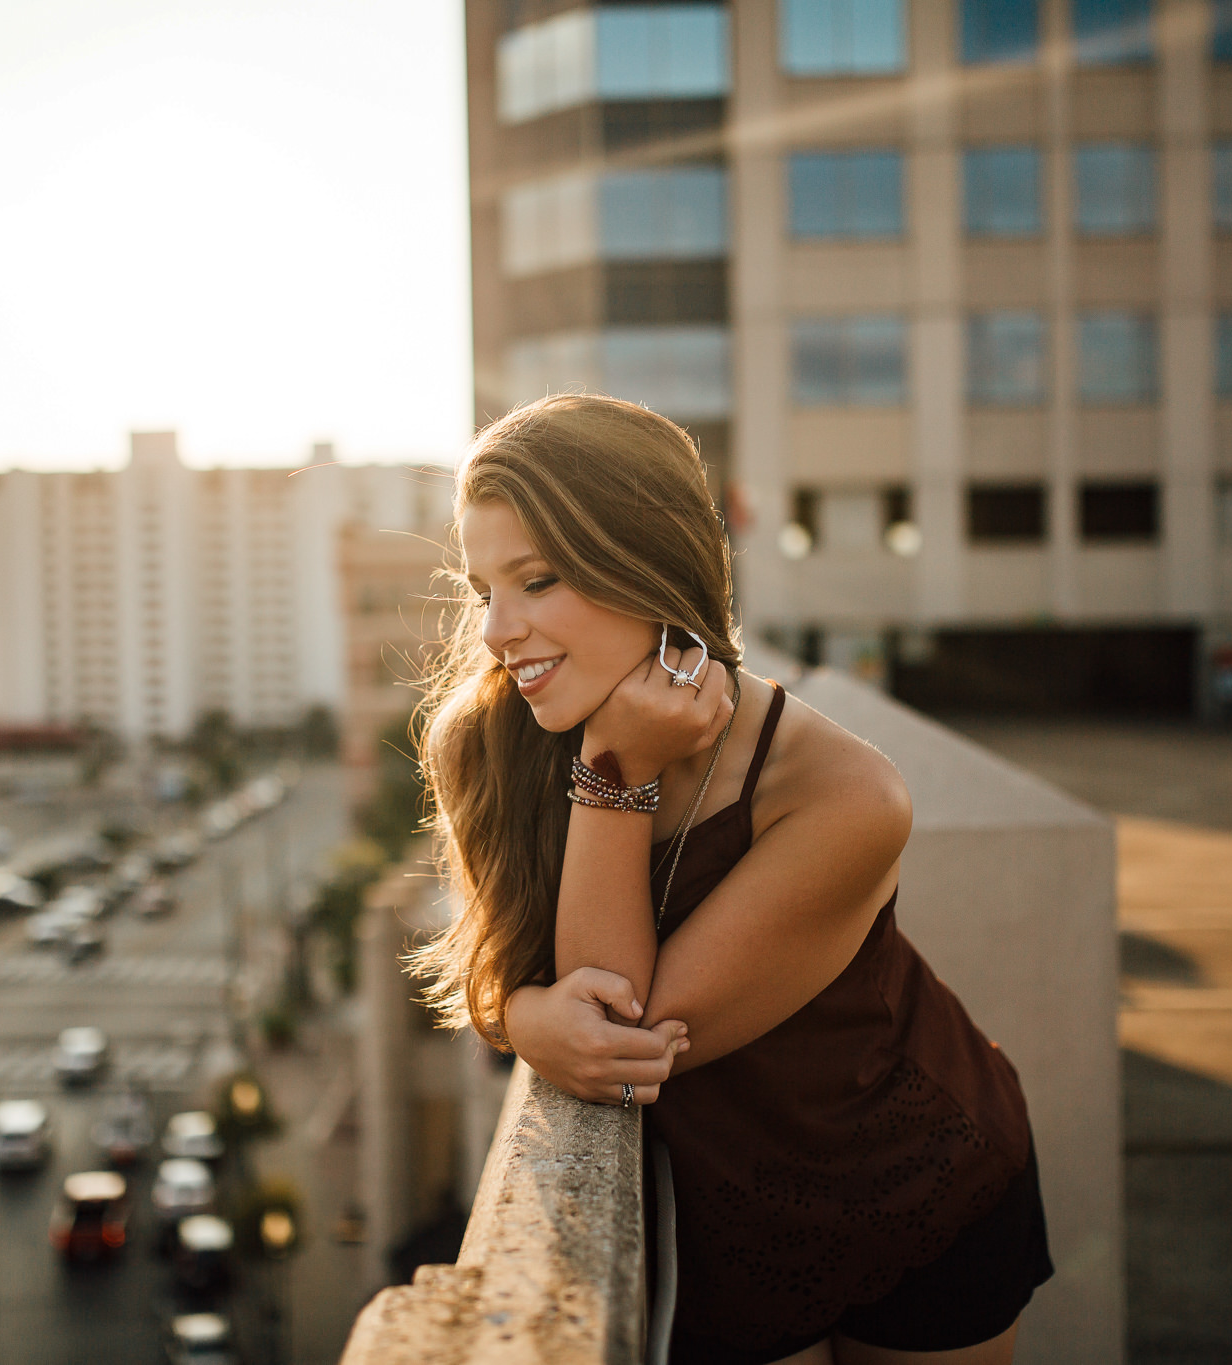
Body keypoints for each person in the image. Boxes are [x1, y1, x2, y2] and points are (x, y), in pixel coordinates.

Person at [411, 394, 1051, 1365]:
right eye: (480, 589)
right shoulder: (480, 745)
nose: (498, 629)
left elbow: (628, 1032)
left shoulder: (845, 794)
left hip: (913, 1188)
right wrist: (528, 1022)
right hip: (725, 1231)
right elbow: (493, 973)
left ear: (649, 562)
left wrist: (611, 773)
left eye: (536, 580)